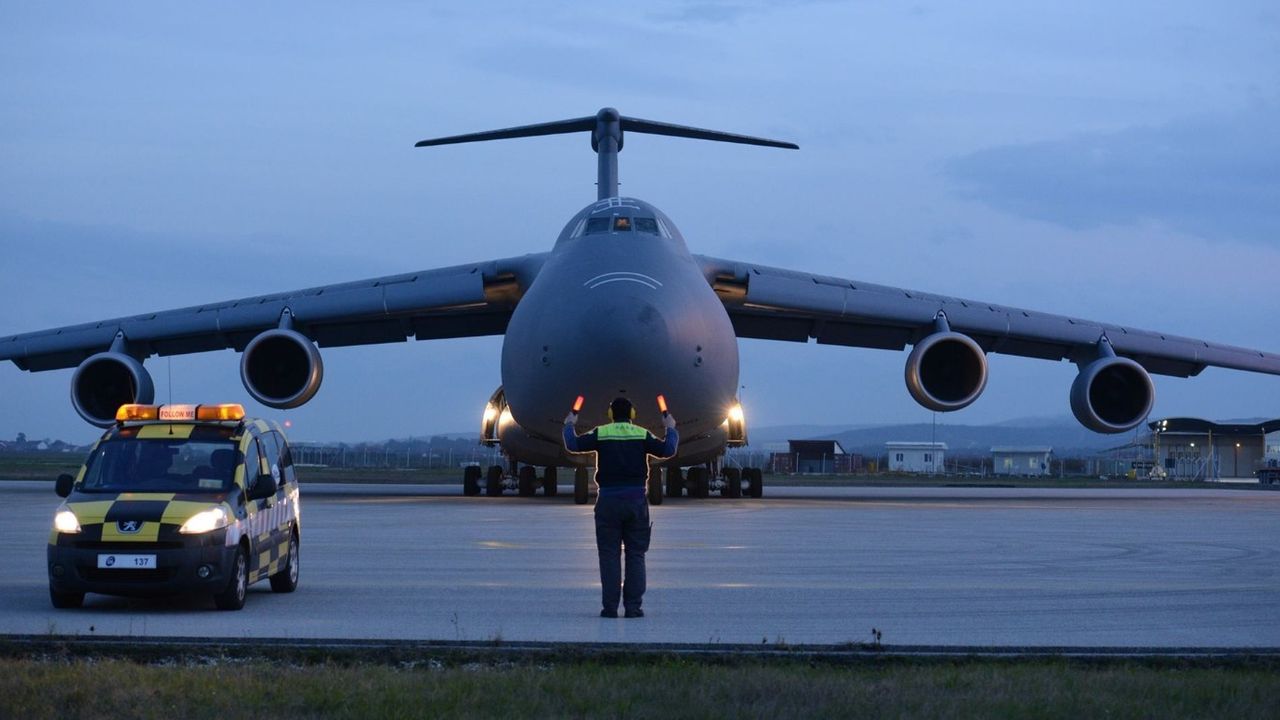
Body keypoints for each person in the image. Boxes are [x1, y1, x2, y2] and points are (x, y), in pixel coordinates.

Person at [564, 396, 678, 618]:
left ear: (610, 415)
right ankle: (633, 608)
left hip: (608, 501)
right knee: (636, 555)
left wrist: (569, 423)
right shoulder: (642, 434)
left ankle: (609, 608)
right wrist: (670, 428)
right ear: (633, 415)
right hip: (636, 501)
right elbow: (668, 450)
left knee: (609, 555)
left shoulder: (601, 433)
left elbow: (573, 445)